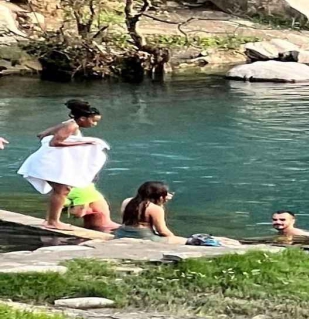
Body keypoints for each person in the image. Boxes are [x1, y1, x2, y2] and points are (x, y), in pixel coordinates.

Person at [17, 100, 114, 230]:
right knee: (62, 190)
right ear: (83, 118)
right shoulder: (71, 126)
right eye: (93, 121)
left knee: (61, 190)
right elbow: (54, 143)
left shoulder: (68, 123)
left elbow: (42, 134)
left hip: (47, 161)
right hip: (46, 163)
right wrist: (83, 143)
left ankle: (51, 220)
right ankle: (53, 221)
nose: (94, 124)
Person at [114, 181, 185, 244]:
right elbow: (162, 231)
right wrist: (173, 238)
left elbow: (124, 219)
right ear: (160, 197)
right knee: (185, 241)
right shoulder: (155, 208)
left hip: (122, 232)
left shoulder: (127, 201)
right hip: (143, 236)